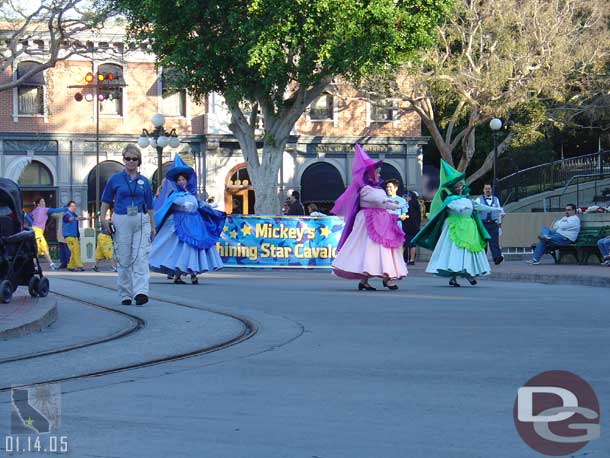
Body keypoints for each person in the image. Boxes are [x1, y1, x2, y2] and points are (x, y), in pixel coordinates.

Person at [412, 160, 500, 287]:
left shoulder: (466, 199)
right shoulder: (450, 200)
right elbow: (455, 208)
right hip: (454, 227)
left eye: (460, 185)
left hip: (469, 228)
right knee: (454, 252)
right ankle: (455, 277)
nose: (459, 188)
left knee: (468, 252)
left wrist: (496, 209)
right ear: (452, 188)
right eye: (457, 186)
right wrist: (464, 209)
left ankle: (469, 274)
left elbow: (479, 207)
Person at [331, 144, 407, 291]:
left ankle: (388, 277)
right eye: (376, 172)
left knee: (384, 248)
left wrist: (393, 205)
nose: (378, 174)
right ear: (369, 174)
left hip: (382, 220)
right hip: (368, 222)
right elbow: (379, 201)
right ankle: (366, 280)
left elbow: (383, 202)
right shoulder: (366, 189)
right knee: (368, 249)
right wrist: (392, 204)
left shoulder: (377, 188)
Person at [150, 154, 226, 284]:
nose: (181, 182)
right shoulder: (173, 196)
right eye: (179, 180)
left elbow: (200, 205)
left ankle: (194, 274)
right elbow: (165, 209)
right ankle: (177, 275)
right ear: (176, 182)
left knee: (194, 249)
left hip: (195, 224)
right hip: (179, 225)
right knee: (180, 250)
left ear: (186, 181)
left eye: (183, 179)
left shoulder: (192, 195)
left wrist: (213, 210)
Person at [100, 144, 155, 306]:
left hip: (141, 219)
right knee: (124, 258)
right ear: (123, 160)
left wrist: (152, 226)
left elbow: (150, 206)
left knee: (140, 257)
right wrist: (103, 219)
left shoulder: (144, 182)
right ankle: (125, 293)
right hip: (121, 218)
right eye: (127, 158)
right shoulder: (115, 179)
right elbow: (105, 201)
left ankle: (141, 292)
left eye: (134, 159)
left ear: (139, 161)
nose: (131, 161)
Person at [27, 197, 67, 270]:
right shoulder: (44, 209)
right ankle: (51, 264)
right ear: (38, 204)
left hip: (35, 231)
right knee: (44, 248)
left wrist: (32, 225)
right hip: (38, 232)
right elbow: (55, 210)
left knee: (37, 250)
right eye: (42, 202)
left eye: (44, 201)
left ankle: (34, 266)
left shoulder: (34, 211)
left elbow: (28, 216)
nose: (44, 203)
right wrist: (65, 208)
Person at [478, 183, 505, 265]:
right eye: (486, 189)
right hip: (483, 224)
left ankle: (497, 258)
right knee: (483, 243)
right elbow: (475, 211)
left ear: (491, 190)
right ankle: (482, 260)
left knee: (495, 242)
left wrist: (501, 219)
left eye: (489, 189)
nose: (488, 190)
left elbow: (499, 210)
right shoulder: (479, 199)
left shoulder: (496, 199)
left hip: (494, 224)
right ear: (483, 190)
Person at [62, 200, 87, 271]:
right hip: (69, 236)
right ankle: (79, 266)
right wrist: (76, 218)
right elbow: (69, 219)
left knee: (75, 251)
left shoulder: (73, 214)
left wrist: (88, 218)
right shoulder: (66, 214)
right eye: (72, 206)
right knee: (75, 250)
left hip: (74, 236)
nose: (74, 207)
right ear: (68, 207)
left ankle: (70, 266)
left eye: (75, 206)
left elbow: (79, 218)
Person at [402, 191, 421, 265]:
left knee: (404, 243)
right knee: (413, 244)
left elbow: (406, 214)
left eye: (408, 196)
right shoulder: (417, 205)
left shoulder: (408, 204)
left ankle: (402, 259)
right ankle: (412, 259)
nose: (407, 197)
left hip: (407, 226)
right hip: (415, 227)